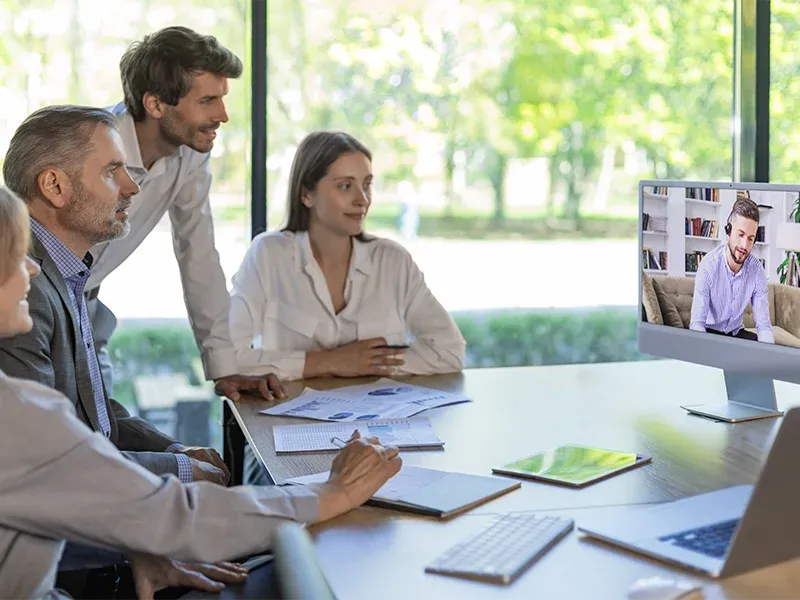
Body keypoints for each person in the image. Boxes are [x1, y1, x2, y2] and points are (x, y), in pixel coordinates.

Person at [0, 184, 403, 600]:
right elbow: (178, 517)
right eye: (16, 256)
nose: (32, 269)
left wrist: (134, 545)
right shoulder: (17, 412)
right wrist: (333, 492)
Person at [88, 26, 281, 402]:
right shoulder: (91, 146)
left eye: (222, 98)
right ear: (156, 104)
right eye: (208, 100)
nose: (223, 115)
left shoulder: (191, 154)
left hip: (86, 311)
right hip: (30, 305)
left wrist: (224, 365)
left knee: (100, 431)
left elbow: (199, 252)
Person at [229, 130, 466, 382]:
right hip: (290, 418)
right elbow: (228, 356)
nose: (362, 200)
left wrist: (369, 364)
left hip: (381, 417)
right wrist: (330, 362)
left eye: (366, 185)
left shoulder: (392, 261)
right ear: (307, 195)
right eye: (345, 186)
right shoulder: (269, 255)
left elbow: (449, 351)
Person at [689, 197, 774, 343]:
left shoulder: (757, 271)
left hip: (736, 334)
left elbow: (764, 325)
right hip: (710, 334)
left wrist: (769, 352)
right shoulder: (708, 265)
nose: (744, 245)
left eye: (750, 238)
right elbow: (697, 323)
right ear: (728, 230)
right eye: (740, 235)